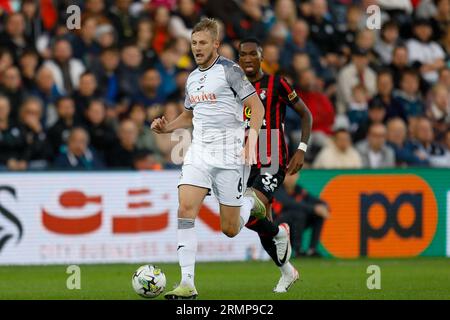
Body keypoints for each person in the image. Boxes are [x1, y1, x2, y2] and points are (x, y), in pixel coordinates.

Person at [151, 18, 266, 300]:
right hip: (199, 152)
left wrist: (252, 139)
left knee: (228, 229)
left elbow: (256, 107)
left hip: (230, 155)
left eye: (203, 43)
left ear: (215, 44)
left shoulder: (231, 71)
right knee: (185, 209)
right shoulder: (192, 78)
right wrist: (168, 127)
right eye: (193, 43)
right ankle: (187, 283)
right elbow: (190, 115)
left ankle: (251, 202)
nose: (197, 48)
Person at [238, 38, 312, 293]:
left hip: (272, 157)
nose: (247, 59)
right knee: (253, 220)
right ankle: (287, 271)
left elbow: (306, 114)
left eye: (252, 54)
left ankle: (281, 233)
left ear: (261, 57)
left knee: (250, 208)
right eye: (242, 55)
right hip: (246, 161)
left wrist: (301, 149)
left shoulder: (276, 83)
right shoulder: (234, 88)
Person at [273, 172, 329, 257]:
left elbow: (314, 200)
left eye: (294, 174)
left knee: (317, 215)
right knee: (299, 213)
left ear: (297, 176)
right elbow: (289, 203)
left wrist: (324, 206)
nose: (291, 178)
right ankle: (298, 250)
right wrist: (314, 208)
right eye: (288, 175)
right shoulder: (277, 189)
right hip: (277, 223)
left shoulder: (298, 189)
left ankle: (312, 249)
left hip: (296, 224)